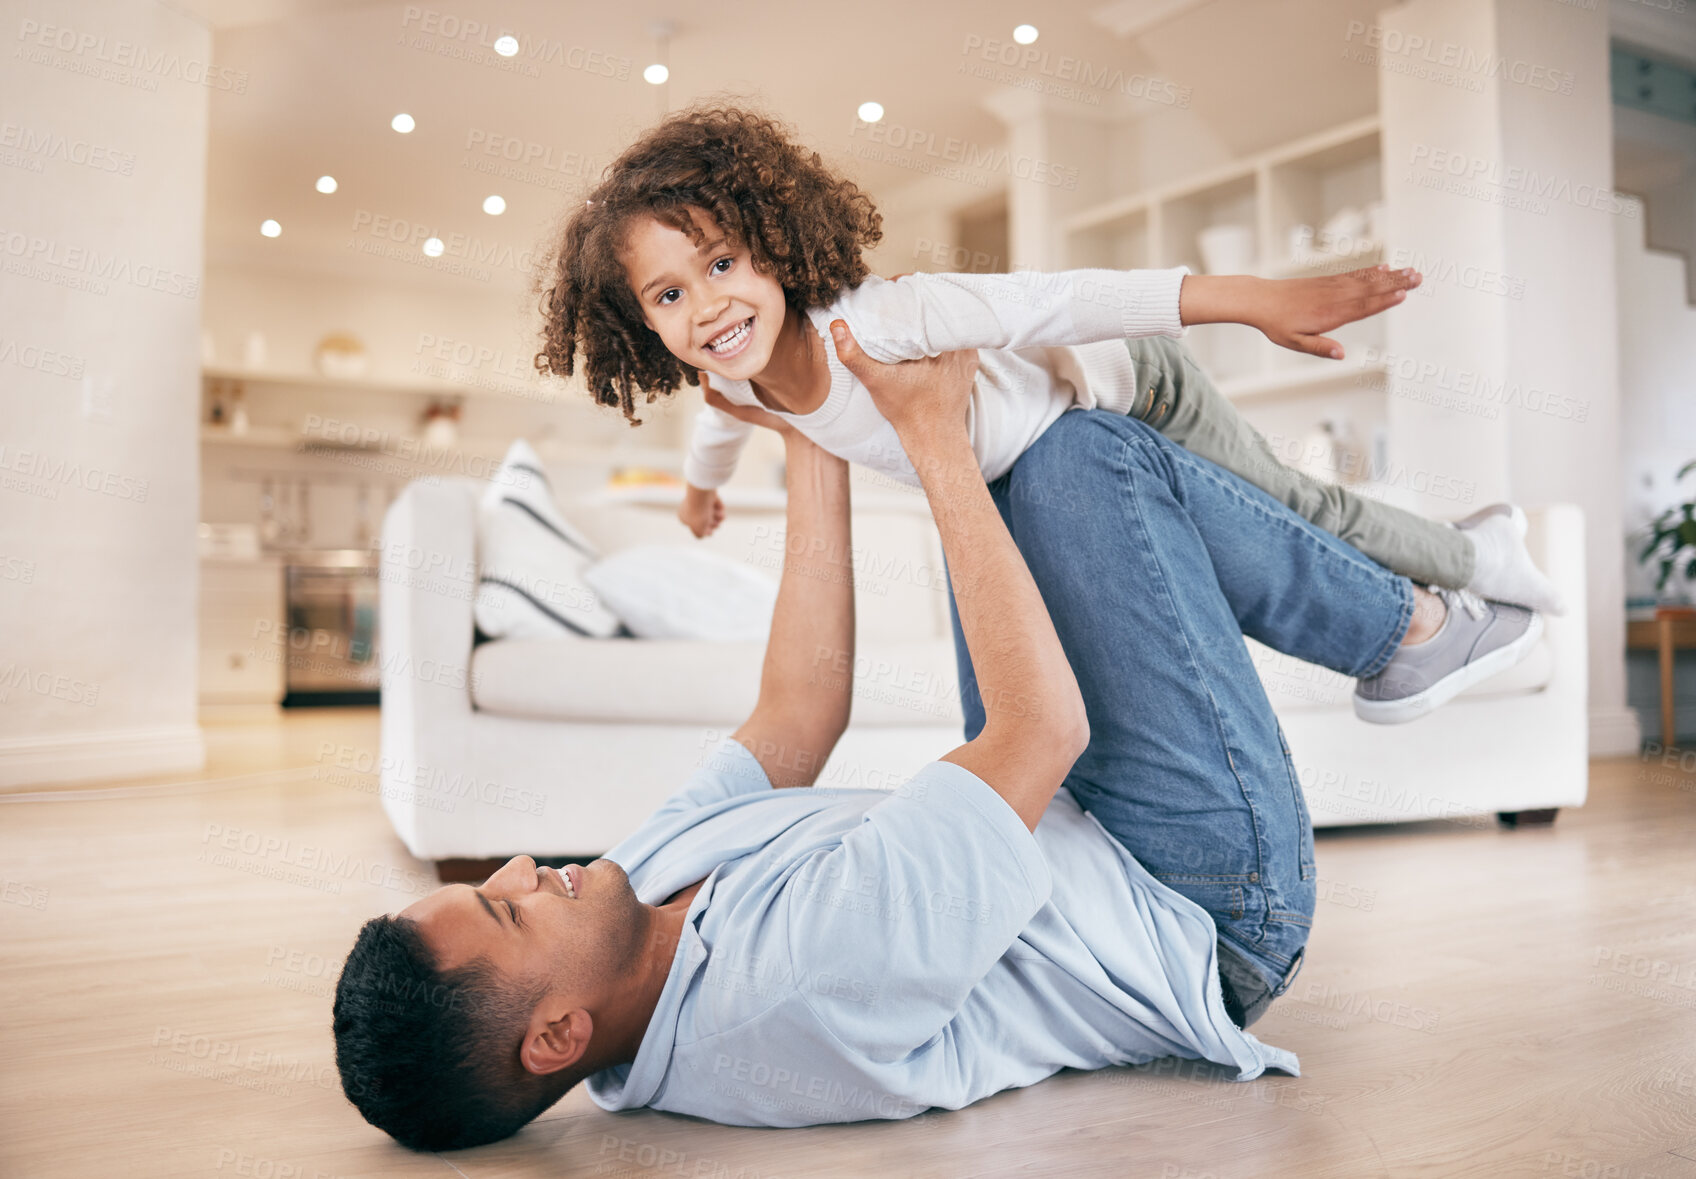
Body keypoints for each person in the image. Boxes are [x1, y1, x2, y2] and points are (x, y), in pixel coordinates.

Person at [333, 322, 1534, 1152]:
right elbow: (1039, 728)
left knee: (1036, 455)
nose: (515, 873)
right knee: (1081, 455)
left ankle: (1408, 615)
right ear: (556, 1036)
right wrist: (931, 441)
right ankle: (1411, 619)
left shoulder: (625, 910)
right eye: (503, 911)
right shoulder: (786, 994)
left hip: (1065, 815)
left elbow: (795, 713)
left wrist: (800, 420)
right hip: (1199, 905)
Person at [533, 100, 1565, 639]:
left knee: (1293, 506)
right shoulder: (735, 380)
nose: (708, 304)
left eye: (721, 262)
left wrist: (1247, 299)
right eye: (668, 294)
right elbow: (717, 425)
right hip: (1052, 460)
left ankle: (1486, 562)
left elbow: (1058, 297)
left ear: (772, 241)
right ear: (635, 325)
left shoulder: (887, 321)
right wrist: (700, 500)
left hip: (1133, 383)